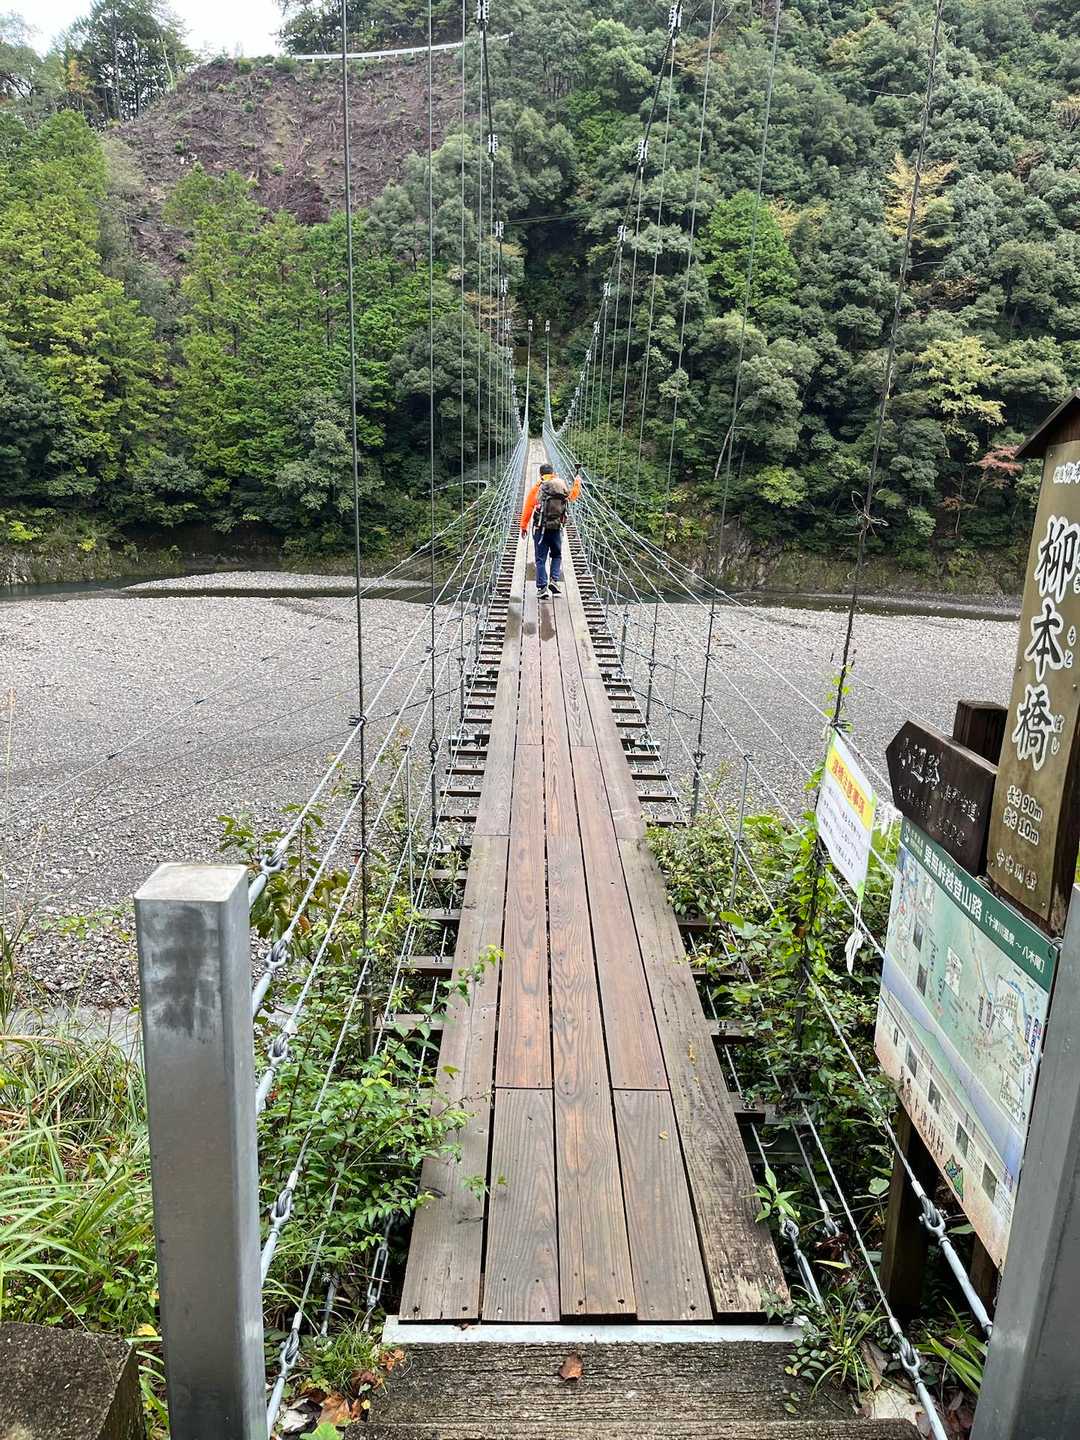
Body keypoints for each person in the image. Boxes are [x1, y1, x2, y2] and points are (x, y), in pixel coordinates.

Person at [519, 461, 581, 598]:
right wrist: (577, 482)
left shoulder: (538, 487)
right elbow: (573, 496)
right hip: (556, 528)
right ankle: (554, 580)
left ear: (540, 474)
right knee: (556, 555)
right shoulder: (560, 485)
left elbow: (528, 507)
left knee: (540, 559)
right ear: (553, 473)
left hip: (540, 528)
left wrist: (523, 526)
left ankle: (542, 588)